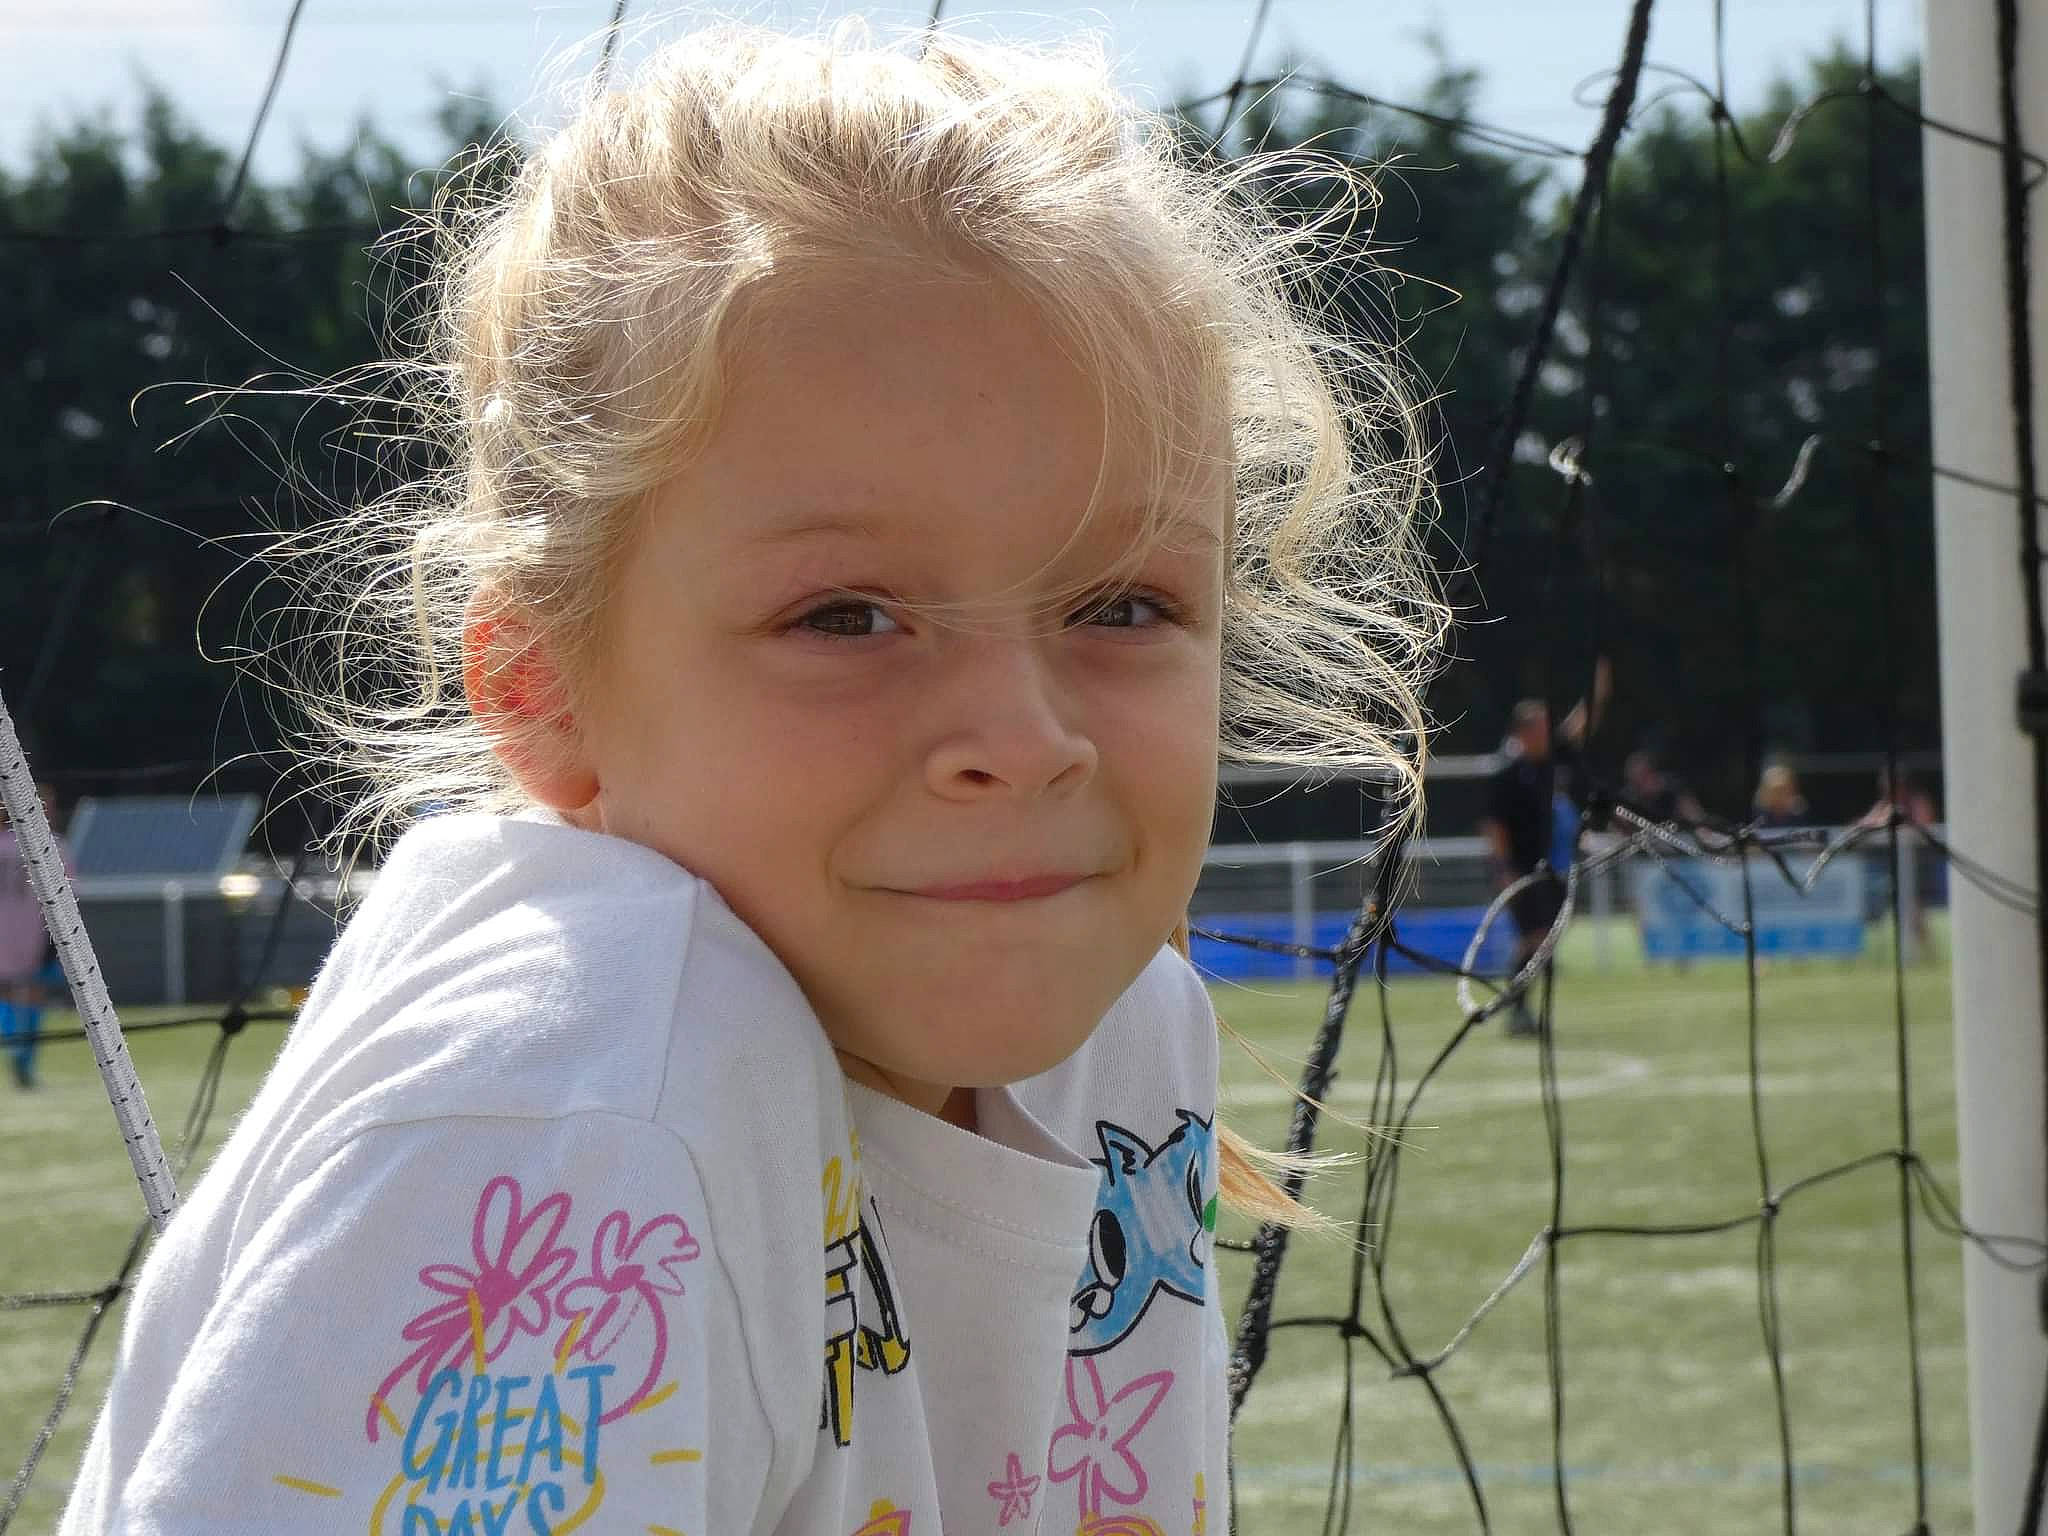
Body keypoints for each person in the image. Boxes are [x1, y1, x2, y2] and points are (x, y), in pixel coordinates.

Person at [59, 19, 1445, 1535]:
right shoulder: (586, 1121)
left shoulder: (1127, 1032)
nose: (1028, 736)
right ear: (541, 691)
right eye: (845, 618)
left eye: (1123, 607)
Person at [1480, 658, 1610, 1037]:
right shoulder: (1507, 772)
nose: (1547, 731)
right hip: (1519, 870)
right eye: (1539, 726)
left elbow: (1582, 723)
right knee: (1534, 938)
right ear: (1522, 732)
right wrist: (1503, 867)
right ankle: (1517, 1010)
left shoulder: (1551, 761)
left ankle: (1522, 1010)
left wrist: (1597, 689)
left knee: (1546, 939)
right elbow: (1493, 825)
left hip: (1552, 866)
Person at [0, 779, 69, 1090]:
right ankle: (22, 1059)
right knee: (29, 998)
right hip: (34, 935)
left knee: (14, 997)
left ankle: (19, 1056)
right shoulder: (53, 847)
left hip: (15, 935)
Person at [1622, 747, 1707, 827]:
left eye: (1644, 776)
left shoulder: (1673, 787)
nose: (1641, 784)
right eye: (1636, 781)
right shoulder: (1628, 796)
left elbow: (1696, 817)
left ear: (1652, 773)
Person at [1752, 762, 1808, 828]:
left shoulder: (1800, 814)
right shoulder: (1757, 816)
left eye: (1784, 790)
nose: (1778, 797)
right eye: (1775, 791)